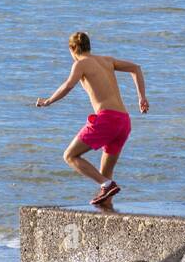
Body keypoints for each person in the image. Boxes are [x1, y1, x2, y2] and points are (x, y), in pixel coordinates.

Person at [35, 31, 149, 205]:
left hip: (107, 120)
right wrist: (141, 97)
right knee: (105, 177)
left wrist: (48, 101)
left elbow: (68, 86)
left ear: (72, 48)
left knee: (70, 156)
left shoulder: (80, 64)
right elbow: (136, 68)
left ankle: (107, 184)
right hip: (124, 121)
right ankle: (107, 201)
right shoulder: (107, 60)